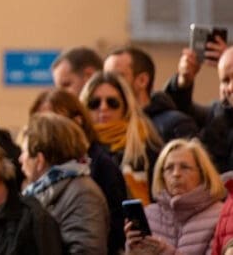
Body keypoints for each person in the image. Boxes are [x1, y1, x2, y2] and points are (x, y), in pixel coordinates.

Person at [30, 88, 128, 254]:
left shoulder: (100, 166)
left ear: (77, 121)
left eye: (53, 119)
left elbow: (109, 233)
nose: (45, 128)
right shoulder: (42, 170)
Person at [19, 112, 110, 255]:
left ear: (39, 160)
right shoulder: (41, 191)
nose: (20, 159)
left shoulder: (83, 194)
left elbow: (87, 250)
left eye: (24, 152)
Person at [125, 138, 225, 255]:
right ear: (161, 176)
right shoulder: (149, 214)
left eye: (185, 167)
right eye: (169, 168)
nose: (176, 173)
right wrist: (132, 248)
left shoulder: (220, 215)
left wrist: (164, 251)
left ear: (202, 173)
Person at [82, 71, 163, 204]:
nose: (103, 108)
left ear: (125, 106)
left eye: (112, 102)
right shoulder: (78, 148)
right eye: (94, 103)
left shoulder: (146, 144)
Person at [163, 37, 233, 173]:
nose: (230, 87)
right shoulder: (217, 116)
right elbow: (179, 114)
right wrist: (183, 82)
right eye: (225, 80)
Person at [105, 46, 198, 144]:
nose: (107, 85)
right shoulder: (105, 126)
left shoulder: (176, 126)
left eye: (117, 77)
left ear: (142, 80)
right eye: (106, 78)